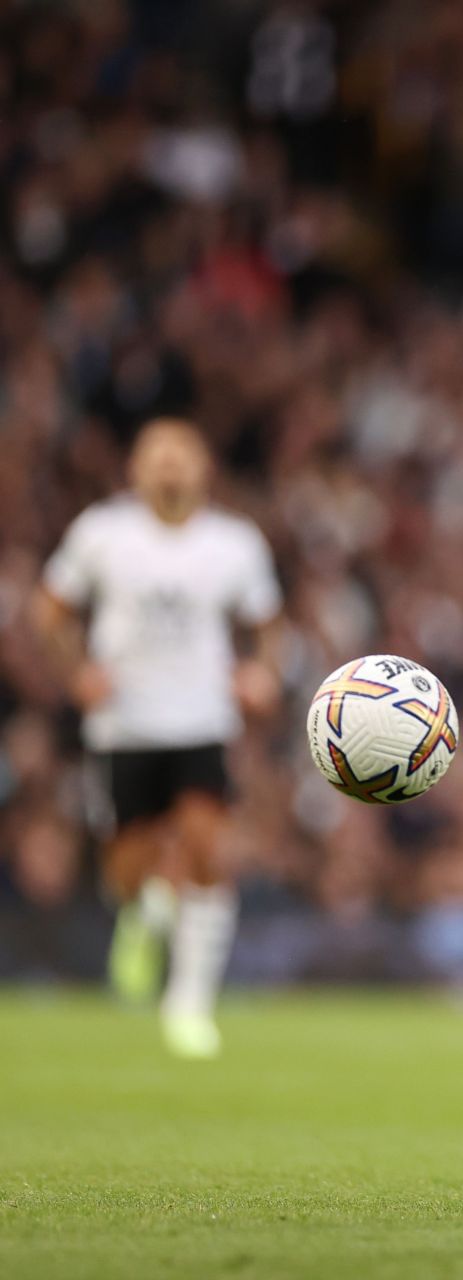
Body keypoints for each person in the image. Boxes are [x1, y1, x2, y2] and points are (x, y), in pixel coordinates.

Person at [32, 417, 283, 1060]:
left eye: (182, 455)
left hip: (201, 721)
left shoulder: (233, 542)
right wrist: (75, 670)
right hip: (125, 724)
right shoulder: (102, 533)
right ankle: (144, 913)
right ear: (135, 469)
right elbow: (51, 610)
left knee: (206, 850)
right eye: (158, 455)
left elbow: (267, 625)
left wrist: (261, 672)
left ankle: (191, 1005)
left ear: (203, 468)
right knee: (127, 866)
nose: (170, 466)